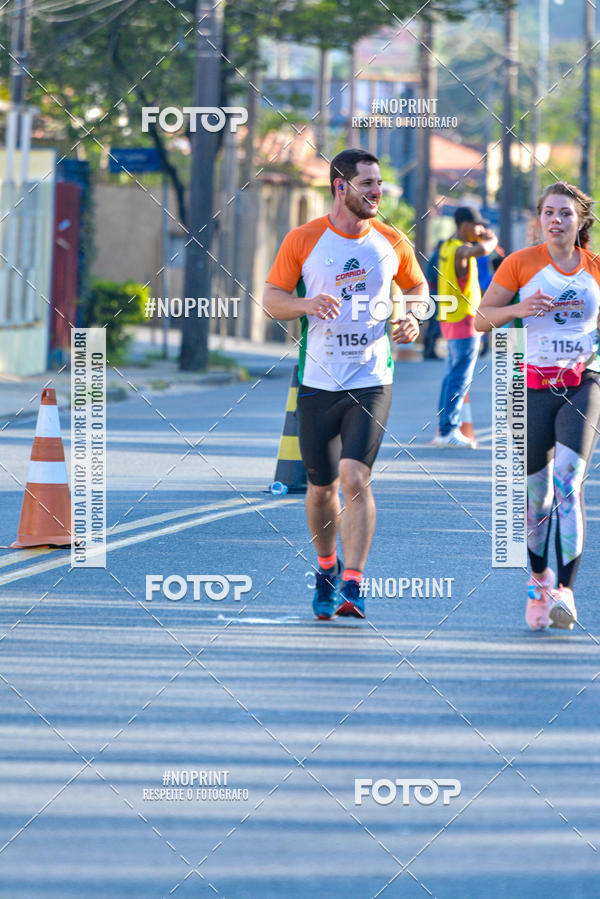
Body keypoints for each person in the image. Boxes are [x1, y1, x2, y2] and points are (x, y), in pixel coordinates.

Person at [263, 148, 428, 620]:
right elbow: (272, 299)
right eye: (368, 184)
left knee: (355, 478)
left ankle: (354, 583)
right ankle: (326, 568)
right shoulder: (305, 239)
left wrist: (412, 319)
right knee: (320, 489)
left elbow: (417, 290)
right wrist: (307, 304)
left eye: (379, 184)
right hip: (317, 381)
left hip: (372, 377)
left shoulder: (392, 240)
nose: (377, 192)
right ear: (341, 187)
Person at [476, 181, 600, 630]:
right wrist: (519, 309)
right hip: (528, 386)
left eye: (565, 213)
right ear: (539, 219)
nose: (555, 220)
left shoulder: (595, 268)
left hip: (582, 382)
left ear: (580, 220)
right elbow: (480, 319)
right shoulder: (520, 264)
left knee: (569, 483)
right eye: (548, 212)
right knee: (537, 495)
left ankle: (565, 590)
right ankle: (540, 579)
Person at [434, 207, 498, 446]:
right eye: (477, 224)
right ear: (464, 225)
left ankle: (445, 428)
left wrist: (481, 236)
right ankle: (448, 429)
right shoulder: (461, 249)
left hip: (450, 320)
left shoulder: (446, 247)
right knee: (460, 378)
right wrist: (491, 238)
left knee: (451, 376)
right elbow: (483, 249)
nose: (480, 229)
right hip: (464, 321)